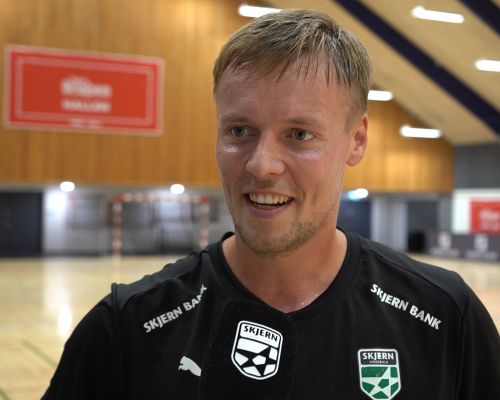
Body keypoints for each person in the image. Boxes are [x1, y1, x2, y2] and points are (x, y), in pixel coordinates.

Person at [43, 9, 499, 400]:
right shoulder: (124, 329)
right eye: (239, 131)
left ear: (356, 141)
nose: (262, 165)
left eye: (299, 135)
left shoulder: (445, 317)